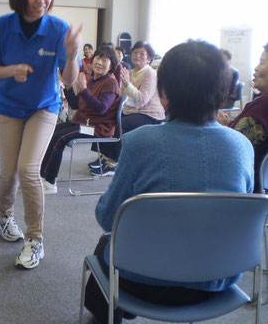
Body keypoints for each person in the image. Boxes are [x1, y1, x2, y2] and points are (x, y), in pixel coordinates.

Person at [84, 40, 254, 324]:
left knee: (106, 244)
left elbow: (107, 217)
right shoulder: (242, 147)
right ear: (224, 92)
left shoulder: (140, 141)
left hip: (143, 281)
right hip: (217, 282)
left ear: (163, 93)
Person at [0, 0, 81, 269]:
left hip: (43, 106)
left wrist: (73, 55)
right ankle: (5, 217)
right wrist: (13, 70)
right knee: (8, 172)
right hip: (9, 106)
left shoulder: (58, 28)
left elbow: (68, 78)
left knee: (28, 170)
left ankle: (35, 239)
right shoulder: (2, 26)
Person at [40, 45, 120, 194]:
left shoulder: (111, 82)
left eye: (105, 60)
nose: (100, 62)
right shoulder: (91, 79)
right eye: (98, 58)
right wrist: (69, 86)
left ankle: (50, 181)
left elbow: (101, 108)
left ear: (112, 65)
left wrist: (83, 89)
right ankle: (42, 174)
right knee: (50, 131)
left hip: (97, 128)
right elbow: (76, 104)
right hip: (82, 122)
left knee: (59, 138)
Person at [90, 41, 165, 176]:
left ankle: (113, 163)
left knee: (119, 126)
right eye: (135, 52)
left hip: (149, 114)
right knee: (105, 120)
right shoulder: (129, 72)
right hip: (131, 110)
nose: (137, 55)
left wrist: (127, 83)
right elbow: (123, 94)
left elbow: (142, 100)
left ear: (149, 58)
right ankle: (105, 156)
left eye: (142, 53)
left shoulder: (150, 74)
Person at [218, 42, 268, 193]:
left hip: (242, 189)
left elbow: (235, 148)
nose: (256, 68)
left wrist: (221, 127)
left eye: (262, 62)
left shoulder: (263, 105)